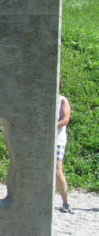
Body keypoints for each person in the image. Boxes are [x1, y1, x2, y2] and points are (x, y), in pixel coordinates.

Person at [56, 81, 73, 213]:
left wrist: (48, 127)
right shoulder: (41, 100)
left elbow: (65, 120)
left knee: (57, 171)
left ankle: (65, 202)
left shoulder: (62, 100)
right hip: (42, 141)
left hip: (57, 141)